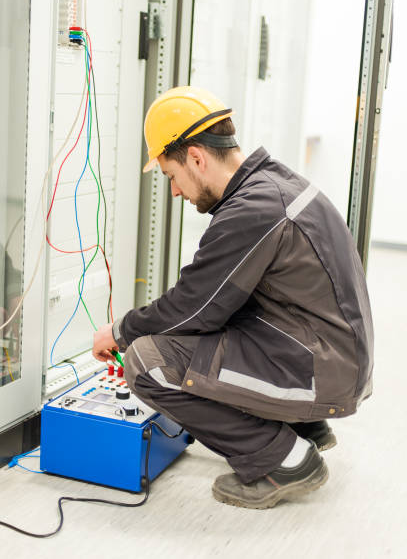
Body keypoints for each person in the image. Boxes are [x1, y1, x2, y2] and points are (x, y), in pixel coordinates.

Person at [93, 86, 373, 509]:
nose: (175, 192)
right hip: (328, 354)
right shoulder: (272, 182)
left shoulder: (253, 209)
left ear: (197, 158)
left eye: (171, 176)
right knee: (219, 322)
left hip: (323, 367)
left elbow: (192, 308)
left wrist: (119, 332)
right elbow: (214, 302)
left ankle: (288, 460)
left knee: (148, 362)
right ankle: (303, 427)